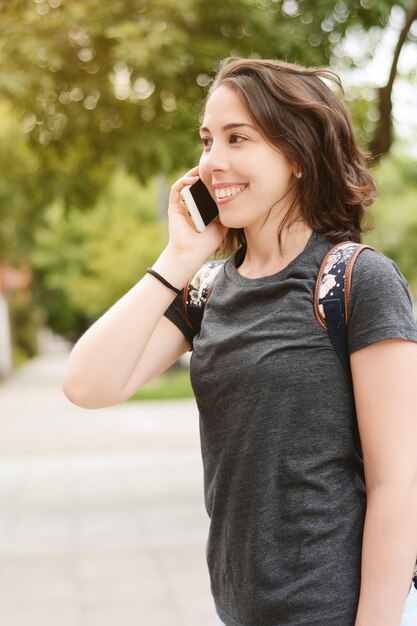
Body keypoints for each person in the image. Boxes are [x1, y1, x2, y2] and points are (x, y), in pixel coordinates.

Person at [63, 58, 417, 626]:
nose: (212, 161)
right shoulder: (205, 291)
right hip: (240, 610)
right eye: (207, 140)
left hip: (335, 611)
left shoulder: (356, 281)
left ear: (297, 154)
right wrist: (179, 257)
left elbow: (396, 484)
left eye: (238, 138)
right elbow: (87, 384)